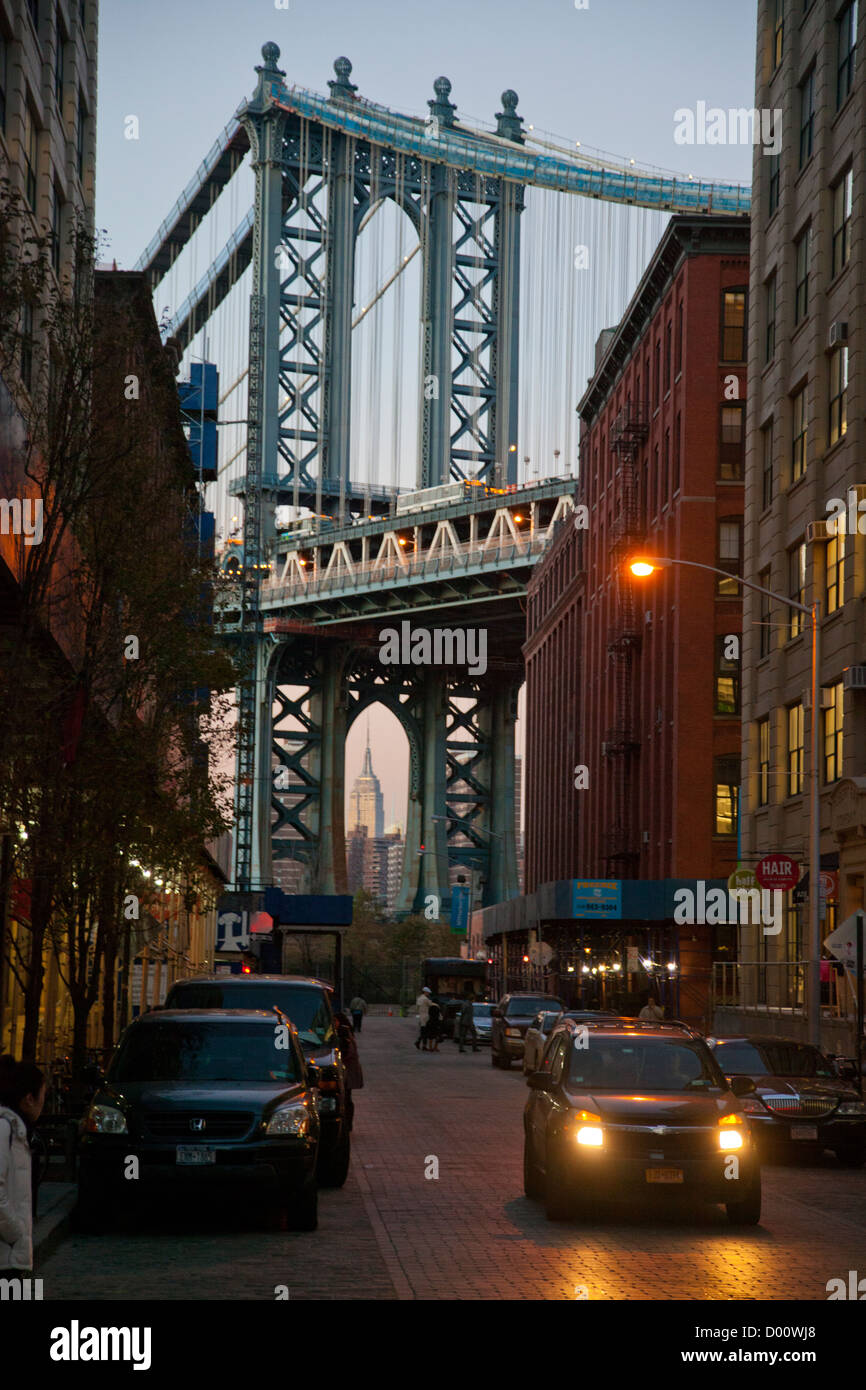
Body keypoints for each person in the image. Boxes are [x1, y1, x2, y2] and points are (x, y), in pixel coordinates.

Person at [0, 1055, 46, 1278]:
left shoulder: (17, 1131)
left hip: (11, 1255)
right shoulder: (5, 1129)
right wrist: (15, 1232)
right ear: (29, 1098)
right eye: (42, 1097)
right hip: (6, 1254)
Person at [415, 986, 433, 1050]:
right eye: (428, 993)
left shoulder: (419, 998)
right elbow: (431, 1004)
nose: (428, 994)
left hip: (421, 1017)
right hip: (426, 1017)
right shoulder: (425, 999)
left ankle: (421, 1044)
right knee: (425, 1032)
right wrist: (430, 1000)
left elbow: (416, 1008)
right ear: (425, 992)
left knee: (423, 1031)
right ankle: (420, 1043)